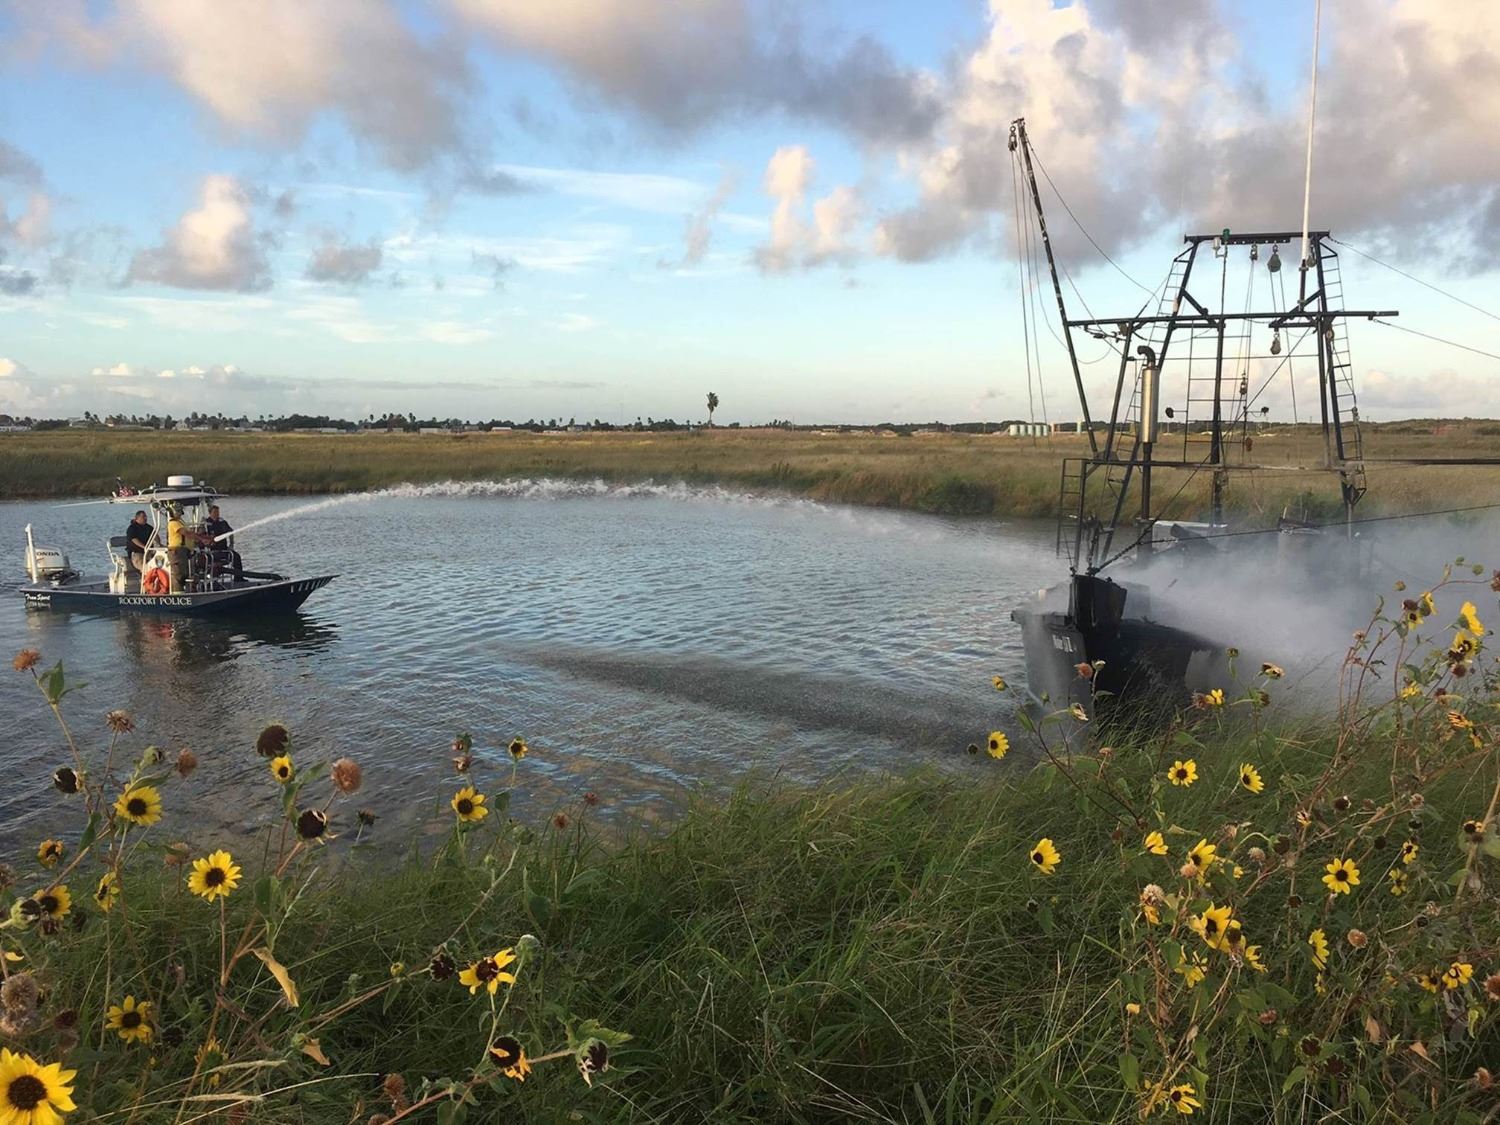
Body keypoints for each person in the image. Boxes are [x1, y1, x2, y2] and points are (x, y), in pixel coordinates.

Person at [203, 504, 243, 581]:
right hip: (212, 551)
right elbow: (201, 536)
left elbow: (231, 532)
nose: (217, 514)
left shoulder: (222, 522)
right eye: (215, 512)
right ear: (210, 513)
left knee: (236, 556)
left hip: (224, 549)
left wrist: (231, 544)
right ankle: (212, 579)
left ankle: (239, 578)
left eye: (218, 512)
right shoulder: (206, 524)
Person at [166, 503, 188, 593]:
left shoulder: (180, 522)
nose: (180, 514)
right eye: (178, 512)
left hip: (182, 550)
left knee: (183, 573)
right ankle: (177, 594)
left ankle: (185, 589)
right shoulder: (173, 523)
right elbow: (186, 533)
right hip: (175, 551)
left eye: (180, 512)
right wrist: (201, 538)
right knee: (177, 573)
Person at [125, 510, 152, 578]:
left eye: (146, 516)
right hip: (137, 553)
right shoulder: (132, 528)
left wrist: (159, 544)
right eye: (143, 517)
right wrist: (144, 547)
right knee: (146, 568)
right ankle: (146, 582)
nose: (146, 518)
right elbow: (134, 539)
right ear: (137, 518)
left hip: (149, 552)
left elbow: (155, 534)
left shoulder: (148, 527)